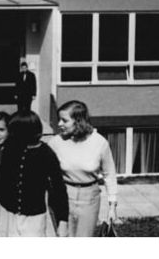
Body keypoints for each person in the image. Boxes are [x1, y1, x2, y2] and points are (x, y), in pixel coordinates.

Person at [48, 100, 119, 237]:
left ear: (78, 121)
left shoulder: (99, 143)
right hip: (63, 196)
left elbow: (109, 174)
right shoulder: (55, 143)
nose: (59, 124)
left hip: (89, 198)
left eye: (64, 120)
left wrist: (112, 207)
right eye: (59, 120)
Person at [0, 111, 68, 237]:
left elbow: (59, 188)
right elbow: (0, 178)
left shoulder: (46, 154)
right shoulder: (10, 149)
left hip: (34, 217)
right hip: (8, 214)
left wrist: (63, 220)